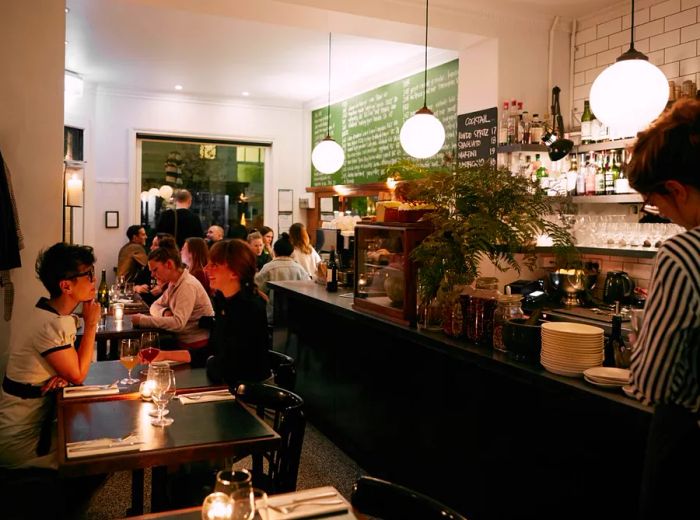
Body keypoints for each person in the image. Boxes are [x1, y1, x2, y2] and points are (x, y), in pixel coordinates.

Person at [626, 98, 700, 520]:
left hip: (687, 447)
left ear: (675, 189)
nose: (664, 215)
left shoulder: (683, 253)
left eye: (656, 205)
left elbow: (650, 384)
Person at [0, 243, 99, 469]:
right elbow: (79, 374)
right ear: (66, 286)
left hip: (32, 423)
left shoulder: (46, 313)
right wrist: (91, 323)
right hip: (22, 439)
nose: (94, 280)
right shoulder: (50, 325)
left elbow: (72, 370)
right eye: (89, 274)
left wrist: (61, 374)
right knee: (97, 452)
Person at [202, 239, 272, 387]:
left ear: (234, 272)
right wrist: (166, 355)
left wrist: (210, 362)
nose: (206, 269)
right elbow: (217, 349)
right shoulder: (223, 300)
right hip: (229, 384)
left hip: (251, 394)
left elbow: (235, 365)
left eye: (214, 265)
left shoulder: (249, 307)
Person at [131, 245, 213, 367]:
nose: (152, 275)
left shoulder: (187, 285)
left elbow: (178, 324)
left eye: (155, 270)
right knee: (140, 348)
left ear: (169, 264)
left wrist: (143, 320)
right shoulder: (174, 283)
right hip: (181, 342)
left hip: (195, 349)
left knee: (142, 350)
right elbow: (155, 305)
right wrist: (165, 312)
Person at [255, 232, 310, 323]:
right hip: (295, 315)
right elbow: (307, 289)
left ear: (275, 251)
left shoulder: (268, 267)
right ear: (292, 252)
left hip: (273, 315)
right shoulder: (299, 268)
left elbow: (258, 289)